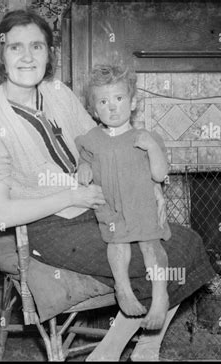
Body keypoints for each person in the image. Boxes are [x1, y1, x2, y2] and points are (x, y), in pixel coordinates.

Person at [0, 9, 215, 361]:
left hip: (102, 204)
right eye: (15, 47)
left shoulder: (57, 93)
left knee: (188, 241)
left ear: (48, 54)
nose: (27, 56)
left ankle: (146, 345)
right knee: (157, 261)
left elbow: (107, 145)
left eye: (37, 46)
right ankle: (110, 352)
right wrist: (71, 194)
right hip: (51, 227)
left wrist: (150, 185)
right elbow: (1, 214)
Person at [75, 64, 171, 329]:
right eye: (103, 102)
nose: (112, 107)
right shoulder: (91, 139)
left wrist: (152, 148)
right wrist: (83, 167)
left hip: (143, 206)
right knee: (117, 244)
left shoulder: (145, 137)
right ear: (94, 110)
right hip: (112, 208)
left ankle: (160, 296)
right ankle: (123, 287)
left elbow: (160, 175)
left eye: (119, 99)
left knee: (152, 247)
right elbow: (84, 159)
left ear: (132, 103)